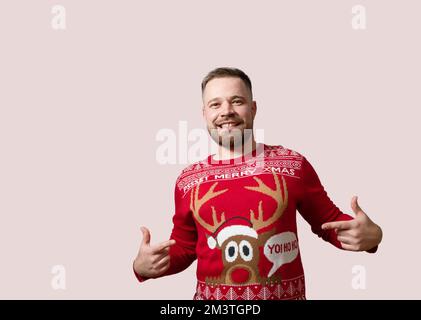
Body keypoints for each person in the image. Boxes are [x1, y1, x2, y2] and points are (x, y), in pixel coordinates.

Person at [132, 67, 383, 300]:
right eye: (215, 104)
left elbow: (329, 224)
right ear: (205, 114)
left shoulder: (293, 165)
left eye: (237, 101)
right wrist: (143, 267)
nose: (226, 111)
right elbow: (185, 249)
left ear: (253, 108)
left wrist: (373, 237)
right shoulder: (188, 181)